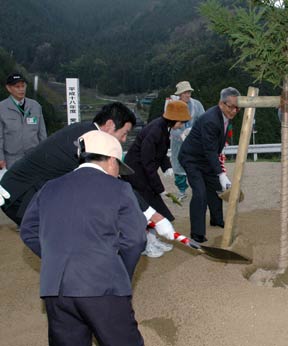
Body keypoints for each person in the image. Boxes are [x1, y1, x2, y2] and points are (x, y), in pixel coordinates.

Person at [20, 130, 146, 346]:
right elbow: (135, 239)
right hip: (103, 285)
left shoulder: (49, 188)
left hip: (56, 289)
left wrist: (55, 257)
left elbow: (28, 230)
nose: (119, 174)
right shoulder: (120, 189)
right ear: (111, 161)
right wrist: (118, 270)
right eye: (118, 168)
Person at [0, 102, 175, 255]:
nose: (123, 140)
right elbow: (114, 186)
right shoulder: (89, 142)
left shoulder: (86, 131)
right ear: (109, 125)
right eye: (124, 133)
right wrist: (155, 216)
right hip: (22, 195)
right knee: (69, 243)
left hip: (32, 191)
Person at [123, 100, 190, 255]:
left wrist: (167, 167)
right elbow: (147, 163)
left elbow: (160, 152)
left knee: (152, 207)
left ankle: (152, 240)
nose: (182, 125)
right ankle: (146, 245)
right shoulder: (155, 131)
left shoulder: (163, 127)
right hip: (136, 174)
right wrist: (159, 189)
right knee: (147, 208)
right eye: (181, 122)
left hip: (143, 172)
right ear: (174, 120)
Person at [178, 87, 240, 243]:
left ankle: (216, 219)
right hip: (191, 158)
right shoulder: (211, 119)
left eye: (237, 107)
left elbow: (212, 151)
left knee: (215, 188)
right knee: (200, 193)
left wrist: (218, 175)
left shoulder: (225, 116)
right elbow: (210, 150)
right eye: (230, 106)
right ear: (221, 104)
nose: (233, 111)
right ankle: (197, 233)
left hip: (206, 158)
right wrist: (221, 173)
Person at [0, 72, 47, 168]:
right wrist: (0, 158)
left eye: (23, 86)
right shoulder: (2, 107)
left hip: (33, 157)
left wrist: (45, 154)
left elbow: (42, 134)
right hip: (11, 159)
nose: (21, 89)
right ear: (9, 88)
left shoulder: (35, 106)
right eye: (17, 87)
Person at [169, 81, 205, 201]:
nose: (188, 95)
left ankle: (198, 190)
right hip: (178, 142)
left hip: (194, 140)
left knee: (195, 166)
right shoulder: (173, 106)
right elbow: (170, 125)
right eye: (185, 92)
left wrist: (195, 133)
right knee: (178, 165)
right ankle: (181, 190)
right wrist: (181, 135)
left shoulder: (197, 105)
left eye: (189, 92)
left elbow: (202, 121)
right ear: (180, 94)